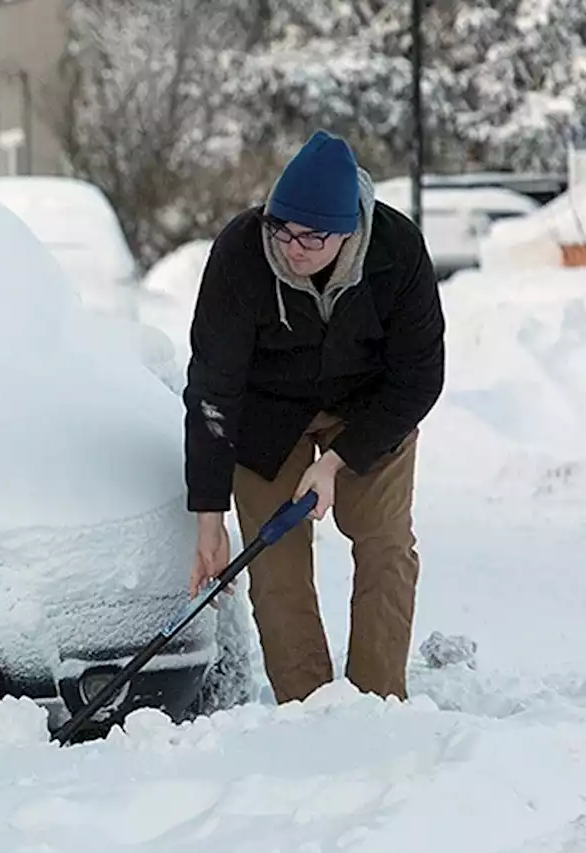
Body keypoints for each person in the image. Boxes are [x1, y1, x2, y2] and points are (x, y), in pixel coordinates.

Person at [182, 129, 445, 706]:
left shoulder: (396, 252)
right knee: (274, 566)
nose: (292, 247)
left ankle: (378, 705)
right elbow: (212, 389)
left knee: (384, 544)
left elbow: (420, 377)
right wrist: (208, 511)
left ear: (349, 229)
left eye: (312, 236)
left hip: (370, 409)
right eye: (282, 228)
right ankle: (306, 711)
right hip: (266, 415)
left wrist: (339, 462)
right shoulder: (241, 254)